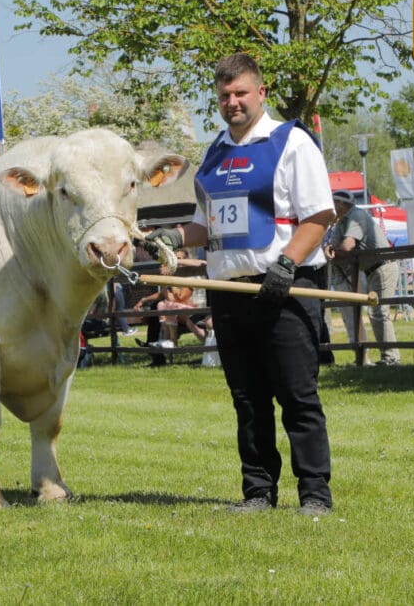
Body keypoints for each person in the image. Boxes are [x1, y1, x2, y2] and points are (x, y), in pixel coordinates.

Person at [145, 53, 335, 516]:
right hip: (229, 294)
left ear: (260, 93)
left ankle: (314, 495)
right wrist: (173, 236)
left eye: (241, 93)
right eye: (225, 94)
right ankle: (257, 494)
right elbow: (203, 224)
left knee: (297, 396)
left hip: (287, 290)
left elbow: (320, 216)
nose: (233, 102)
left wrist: (287, 265)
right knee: (248, 400)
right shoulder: (214, 153)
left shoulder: (292, 142)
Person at [324, 190, 400, 366]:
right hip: (373, 269)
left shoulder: (355, 215)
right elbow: (335, 245)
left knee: (379, 312)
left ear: (341, 204)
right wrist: (332, 248)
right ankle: (386, 357)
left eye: (333, 203)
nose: (331, 207)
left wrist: (332, 251)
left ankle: (391, 358)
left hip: (382, 266)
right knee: (375, 312)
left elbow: (347, 246)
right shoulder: (344, 219)